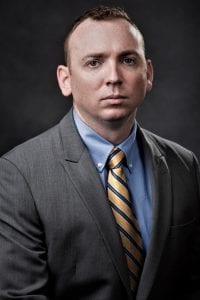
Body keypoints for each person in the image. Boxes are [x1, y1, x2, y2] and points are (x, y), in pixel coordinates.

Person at [0, 5, 200, 300]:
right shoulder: (19, 174)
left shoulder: (185, 165)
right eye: (94, 62)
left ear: (148, 74)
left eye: (128, 60)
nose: (114, 77)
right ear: (65, 79)